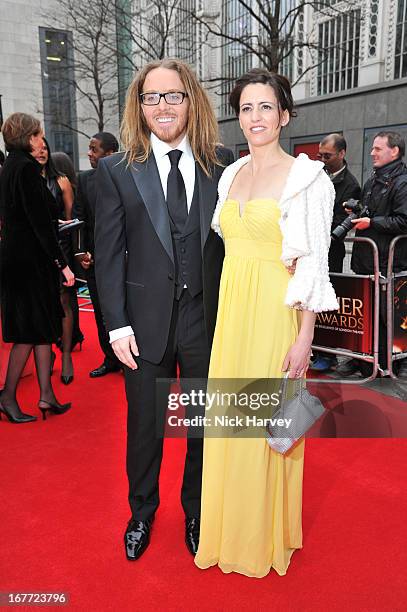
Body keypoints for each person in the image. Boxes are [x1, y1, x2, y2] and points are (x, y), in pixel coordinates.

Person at [194, 68, 338, 578]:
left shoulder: (307, 179)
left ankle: (260, 538)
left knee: (266, 431)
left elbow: (313, 262)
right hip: (232, 314)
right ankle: (226, 529)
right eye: (247, 108)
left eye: (266, 107)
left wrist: (305, 337)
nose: (255, 117)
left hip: (276, 314)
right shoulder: (231, 175)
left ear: (285, 114)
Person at [94, 59, 233, 561]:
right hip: (143, 323)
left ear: (191, 99)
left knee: (200, 426)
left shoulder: (220, 160)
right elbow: (107, 254)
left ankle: (195, 511)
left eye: (172, 95)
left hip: (204, 319)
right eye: (152, 98)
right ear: (140, 106)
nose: (162, 106)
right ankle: (141, 512)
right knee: (146, 427)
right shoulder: (116, 169)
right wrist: (117, 325)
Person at [0, 113, 74, 423]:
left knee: (41, 328)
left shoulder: (9, 168)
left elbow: (24, 217)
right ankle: (7, 398)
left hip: (20, 260)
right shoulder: (27, 170)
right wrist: (64, 265)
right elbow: (40, 226)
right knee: (29, 333)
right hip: (30, 264)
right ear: (29, 137)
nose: (42, 140)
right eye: (38, 135)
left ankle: (46, 395)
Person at [337, 131, 407, 378]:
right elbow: (371, 210)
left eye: (378, 149)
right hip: (366, 260)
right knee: (368, 314)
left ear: (394, 151)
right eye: (373, 148)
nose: (372, 152)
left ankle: (390, 362)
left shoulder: (402, 182)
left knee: (388, 317)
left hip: (387, 262)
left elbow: (403, 220)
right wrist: (356, 209)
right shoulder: (375, 179)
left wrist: (372, 222)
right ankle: (365, 359)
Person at [31, 139, 80, 384]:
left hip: (60, 247)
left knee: (64, 302)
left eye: (45, 148)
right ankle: (47, 352)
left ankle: (67, 356)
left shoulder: (61, 181)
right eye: (36, 149)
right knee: (43, 305)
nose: (41, 152)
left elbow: (72, 219)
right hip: (35, 250)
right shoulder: (26, 180)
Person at [74, 132, 122, 378]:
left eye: (94, 149)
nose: (89, 153)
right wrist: (81, 252)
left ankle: (130, 359)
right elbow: (79, 218)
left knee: (126, 310)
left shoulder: (128, 176)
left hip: (125, 261)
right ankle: (110, 358)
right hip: (94, 262)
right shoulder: (84, 180)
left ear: (110, 153)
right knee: (101, 312)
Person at [311, 133, 361, 372]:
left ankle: (327, 354)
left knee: (326, 303)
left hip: (331, 251)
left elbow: (345, 220)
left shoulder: (351, 185)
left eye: (327, 156)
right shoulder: (316, 175)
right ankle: (313, 348)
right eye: (320, 155)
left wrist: (322, 228)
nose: (322, 159)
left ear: (341, 154)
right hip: (311, 249)